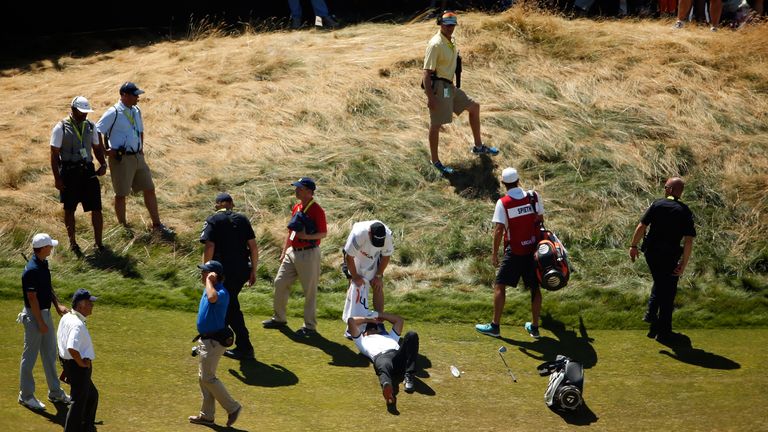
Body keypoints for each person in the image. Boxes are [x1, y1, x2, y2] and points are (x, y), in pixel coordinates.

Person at [422, 11, 498, 175]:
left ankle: (478, 147)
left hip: (449, 88)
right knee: (436, 125)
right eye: (447, 25)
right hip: (439, 88)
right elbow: (426, 73)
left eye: (452, 25)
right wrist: (431, 98)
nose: (450, 28)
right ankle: (435, 161)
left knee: (474, 107)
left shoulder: (451, 40)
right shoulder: (435, 44)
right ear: (440, 24)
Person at [95, 82, 173, 237]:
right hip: (121, 159)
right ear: (124, 95)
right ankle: (123, 227)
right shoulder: (114, 112)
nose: (138, 97)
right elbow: (97, 130)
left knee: (149, 188)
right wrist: (105, 152)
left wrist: (141, 148)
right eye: (135, 94)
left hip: (138, 156)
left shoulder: (136, 110)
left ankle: (156, 224)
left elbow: (140, 131)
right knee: (121, 194)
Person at [475, 168, 544, 339]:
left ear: (503, 183)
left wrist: (494, 254)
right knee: (535, 289)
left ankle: (495, 326)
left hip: (515, 252)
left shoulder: (503, 202)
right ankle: (534, 328)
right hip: (533, 251)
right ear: (518, 180)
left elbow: (499, 230)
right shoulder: (533, 196)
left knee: (500, 285)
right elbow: (540, 220)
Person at [629, 177, 696, 340]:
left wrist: (633, 246)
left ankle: (653, 321)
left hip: (651, 253)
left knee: (661, 282)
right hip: (670, 255)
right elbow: (688, 241)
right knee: (668, 289)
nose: (664, 189)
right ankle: (662, 329)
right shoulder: (685, 211)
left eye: (666, 187)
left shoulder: (657, 204)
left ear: (671, 190)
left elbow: (641, 226)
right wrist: (683, 264)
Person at [263, 177, 327, 337]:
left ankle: (310, 326)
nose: (296, 190)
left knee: (309, 291)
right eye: (296, 187)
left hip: (309, 253)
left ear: (309, 192)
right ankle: (279, 318)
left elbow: (323, 233)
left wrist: (306, 236)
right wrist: (285, 250)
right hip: (292, 252)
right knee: (280, 282)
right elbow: (291, 232)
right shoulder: (297, 207)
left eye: (300, 188)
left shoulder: (317, 210)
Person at [200, 192, 259, 360]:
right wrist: (254, 270)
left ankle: (243, 346)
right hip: (241, 270)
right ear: (231, 204)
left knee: (231, 306)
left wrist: (206, 270)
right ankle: (220, 337)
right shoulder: (242, 219)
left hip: (223, 271)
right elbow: (253, 247)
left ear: (217, 204)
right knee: (228, 303)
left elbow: (209, 246)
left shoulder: (213, 220)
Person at [18, 233, 71, 411]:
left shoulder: (43, 263)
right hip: (34, 317)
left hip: (44, 314)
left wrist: (57, 305)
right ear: (43, 248)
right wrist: (40, 322)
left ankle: (55, 392)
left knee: (49, 354)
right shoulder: (32, 270)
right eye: (50, 246)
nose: (52, 248)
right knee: (29, 357)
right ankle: (25, 396)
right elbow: (32, 299)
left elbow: (47, 288)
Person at [50, 96, 107, 255]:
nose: (85, 115)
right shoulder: (60, 127)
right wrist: (57, 178)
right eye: (82, 112)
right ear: (73, 109)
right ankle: (73, 243)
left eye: (87, 112)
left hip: (88, 171)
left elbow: (96, 148)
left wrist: (102, 164)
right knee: (69, 209)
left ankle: (99, 243)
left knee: (96, 208)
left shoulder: (91, 126)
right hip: (69, 172)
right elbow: (54, 155)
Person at [188, 260, 242, 427]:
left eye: (205, 272)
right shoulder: (210, 288)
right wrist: (209, 283)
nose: (202, 274)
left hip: (214, 341)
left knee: (207, 378)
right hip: (206, 339)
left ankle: (233, 408)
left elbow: (212, 299)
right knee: (203, 379)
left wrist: (210, 281)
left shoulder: (221, 292)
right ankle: (207, 416)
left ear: (214, 276)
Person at [347, 312, 419, 407]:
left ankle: (409, 376)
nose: (374, 329)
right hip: (381, 358)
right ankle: (387, 389)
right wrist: (369, 320)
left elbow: (399, 320)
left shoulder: (390, 336)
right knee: (384, 366)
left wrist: (378, 316)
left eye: (376, 327)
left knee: (412, 335)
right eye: (370, 328)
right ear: (364, 332)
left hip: (398, 357)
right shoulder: (361, 340)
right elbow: (351, 321)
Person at [341, 221, 394, 336]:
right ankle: (353, 324)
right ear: (369, 233)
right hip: (355, 257)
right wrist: (355, 276)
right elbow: (349, 257)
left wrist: (378, 276)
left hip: (374, 258)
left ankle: (378, 324)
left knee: (378, 286)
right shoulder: (358, 233)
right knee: (354, 286)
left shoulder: (387, 236)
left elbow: (386, 257)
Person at [58, 289, 99, 432]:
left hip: (70, 364)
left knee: (91, 395)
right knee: (78, 402)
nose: (92, 306)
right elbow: (72, 348)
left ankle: (86, 426)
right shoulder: (77, 325)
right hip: (78, 367)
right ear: (81, 305)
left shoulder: (67, 317)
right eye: (89, 303)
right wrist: (82, 363)